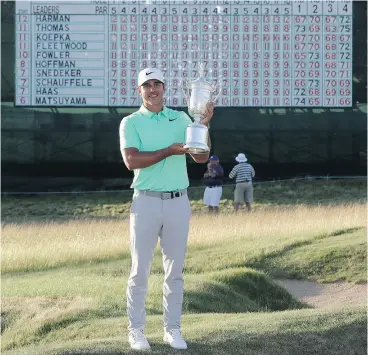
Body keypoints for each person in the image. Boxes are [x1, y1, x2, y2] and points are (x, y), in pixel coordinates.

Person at [119, 67, 214, 351]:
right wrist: (167, 152)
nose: (152, 89)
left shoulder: (182, 117)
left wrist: (205, 125)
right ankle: (136, 331)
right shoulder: (131, 122)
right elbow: (131, 161)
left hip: (177, 201)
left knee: (175, 271)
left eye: (157, 84)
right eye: (146, 85)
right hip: (145, 201)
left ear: (164, 87)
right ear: (139, 91)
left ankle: (172, 330)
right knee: (140, 271)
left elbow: (201, 158)